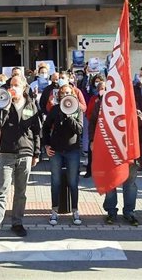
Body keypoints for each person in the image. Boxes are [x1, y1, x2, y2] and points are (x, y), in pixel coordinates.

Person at [0, 75, 42, 245]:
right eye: (11, 85)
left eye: (16, 85)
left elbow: (37, 130)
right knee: (1, 191)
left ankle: (17, 222)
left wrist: (36, 153)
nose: (12, 88)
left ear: (24, 87)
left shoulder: (31, 104)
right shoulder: (3, 103)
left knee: (21, 192)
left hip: (25, 151)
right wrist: (5, 106)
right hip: (7, 153)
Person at [89, 80, 141, 225]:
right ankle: (111, 212)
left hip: (128, 151)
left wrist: (137, 116)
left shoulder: (131, 103)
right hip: (109, 149)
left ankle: (129, 212)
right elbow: (93, 122)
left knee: (130, 183)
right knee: (111, 182)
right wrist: (92, 141)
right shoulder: (101, 104)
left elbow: (141, 124)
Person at [43, 84, 84, 226]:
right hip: (56, 151)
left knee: (73, 182)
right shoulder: (55, 110)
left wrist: (69, 116)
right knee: (56, 181)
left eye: (68, 92)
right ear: (59, 96)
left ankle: (75, 210)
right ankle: (54, 211)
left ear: (73, 94)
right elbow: (45, 128)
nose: (65, 95)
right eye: (62, 93)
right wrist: (46, 146)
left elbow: (79, 130)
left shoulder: (78, 109)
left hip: (72, 150)